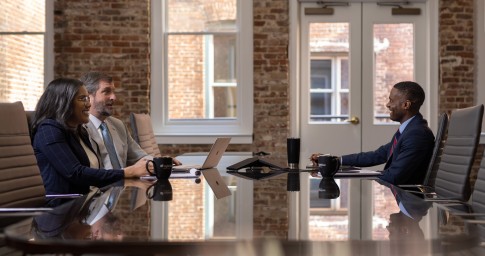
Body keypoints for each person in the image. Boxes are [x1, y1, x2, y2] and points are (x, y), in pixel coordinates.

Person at [32, 78, 149, 197]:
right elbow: (76, 173)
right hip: (64, 208)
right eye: (82, 99)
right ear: (64, 102)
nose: (88, 104)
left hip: (88, 202)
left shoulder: (78, 131)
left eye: (87, 98)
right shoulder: (48, 130)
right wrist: (128, 172)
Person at [311, 81, 435, 185]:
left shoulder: (417, 135)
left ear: (406, 105)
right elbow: (378, 155)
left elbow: (394, 177)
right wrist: (336, 160)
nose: (388, 104)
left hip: (409, 202)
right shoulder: (410, 130)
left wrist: (361, 175)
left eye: (391, 100)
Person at [79, 71, 180, 169]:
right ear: (88, 96)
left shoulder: (118, 125)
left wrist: (159, 162)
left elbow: (139, 157)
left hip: (125, 184)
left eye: (113, 91)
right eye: (106, 92)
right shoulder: (79, 129)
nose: (114, 97)